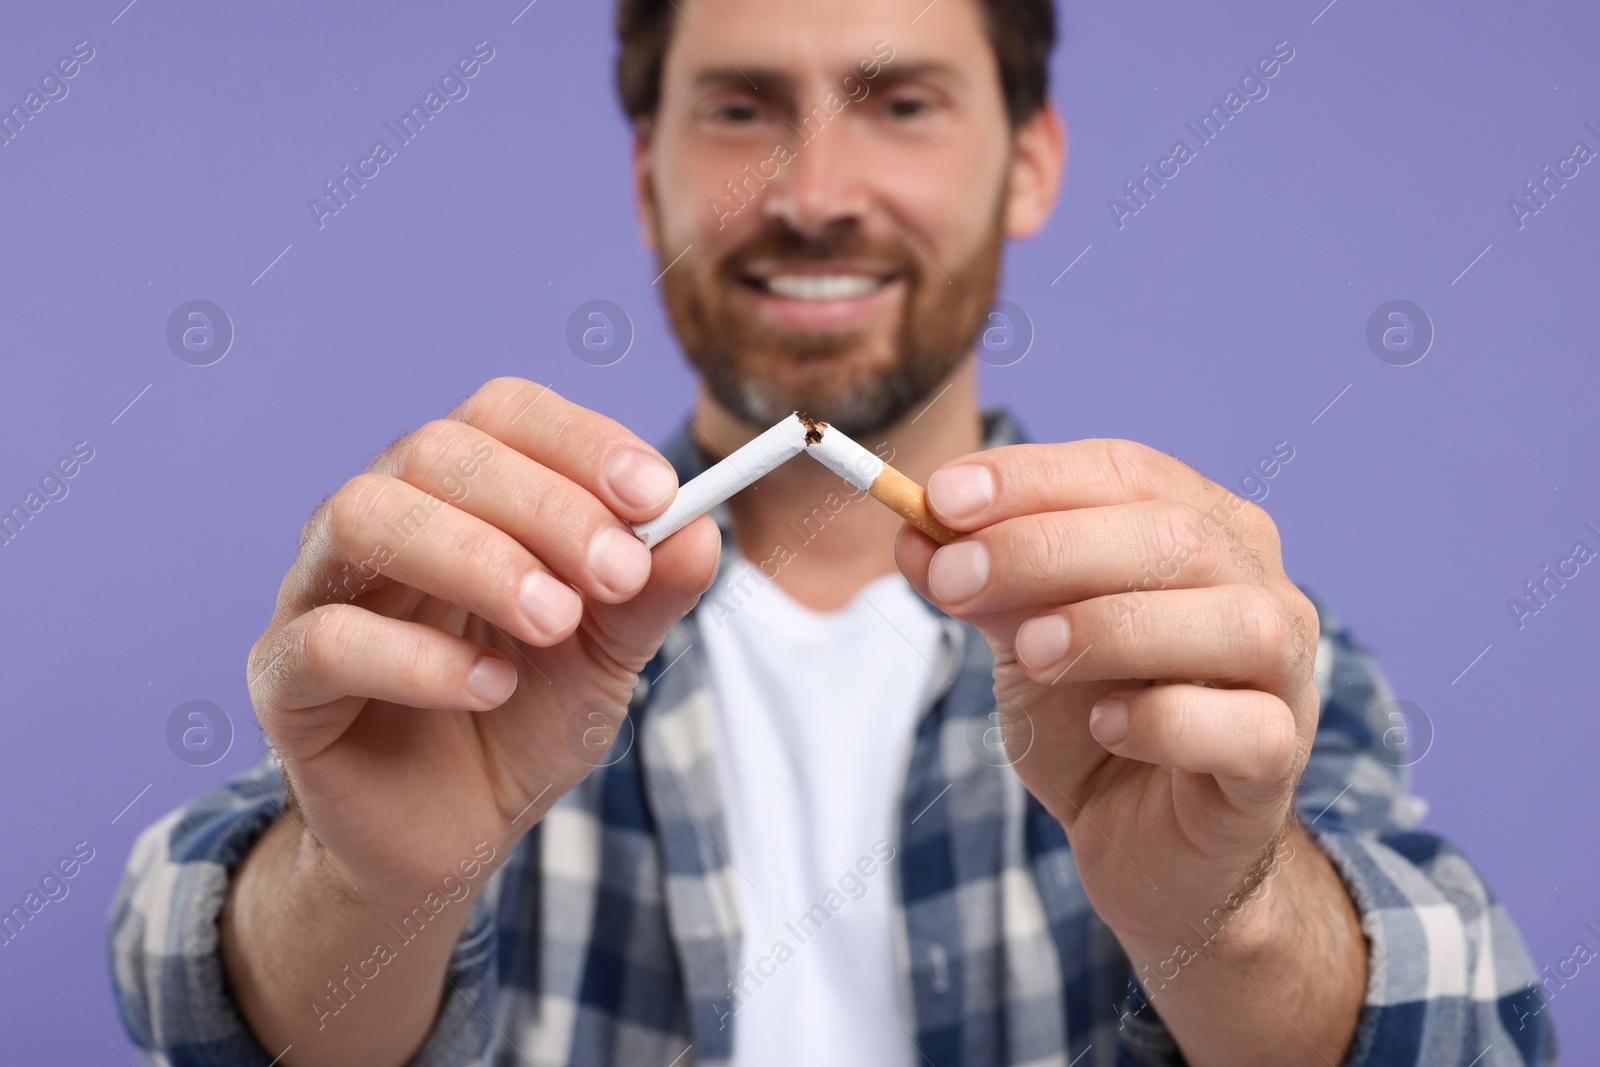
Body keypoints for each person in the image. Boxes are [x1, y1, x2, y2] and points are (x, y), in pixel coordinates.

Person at [108, 1, 1557, 1064]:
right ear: (646, 175)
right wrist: (366, 887)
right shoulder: (486, 620)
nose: (810, 197)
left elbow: (1484, 1021)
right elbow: (179, 976)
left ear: (1029, 161)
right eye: (740, 107)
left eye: (902, 103)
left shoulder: (1186, 671)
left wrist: (1230, 915)